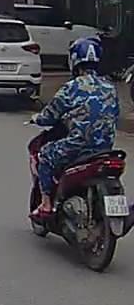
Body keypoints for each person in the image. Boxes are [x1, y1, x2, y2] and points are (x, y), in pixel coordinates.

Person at [28, 37, 119, 217]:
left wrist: (36, 118)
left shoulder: (71, 87)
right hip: (105, 148)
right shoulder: (110, 87)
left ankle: (46, 204)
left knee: (44, 155)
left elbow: (49, 116)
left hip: (78, 146)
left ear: (74, 60)